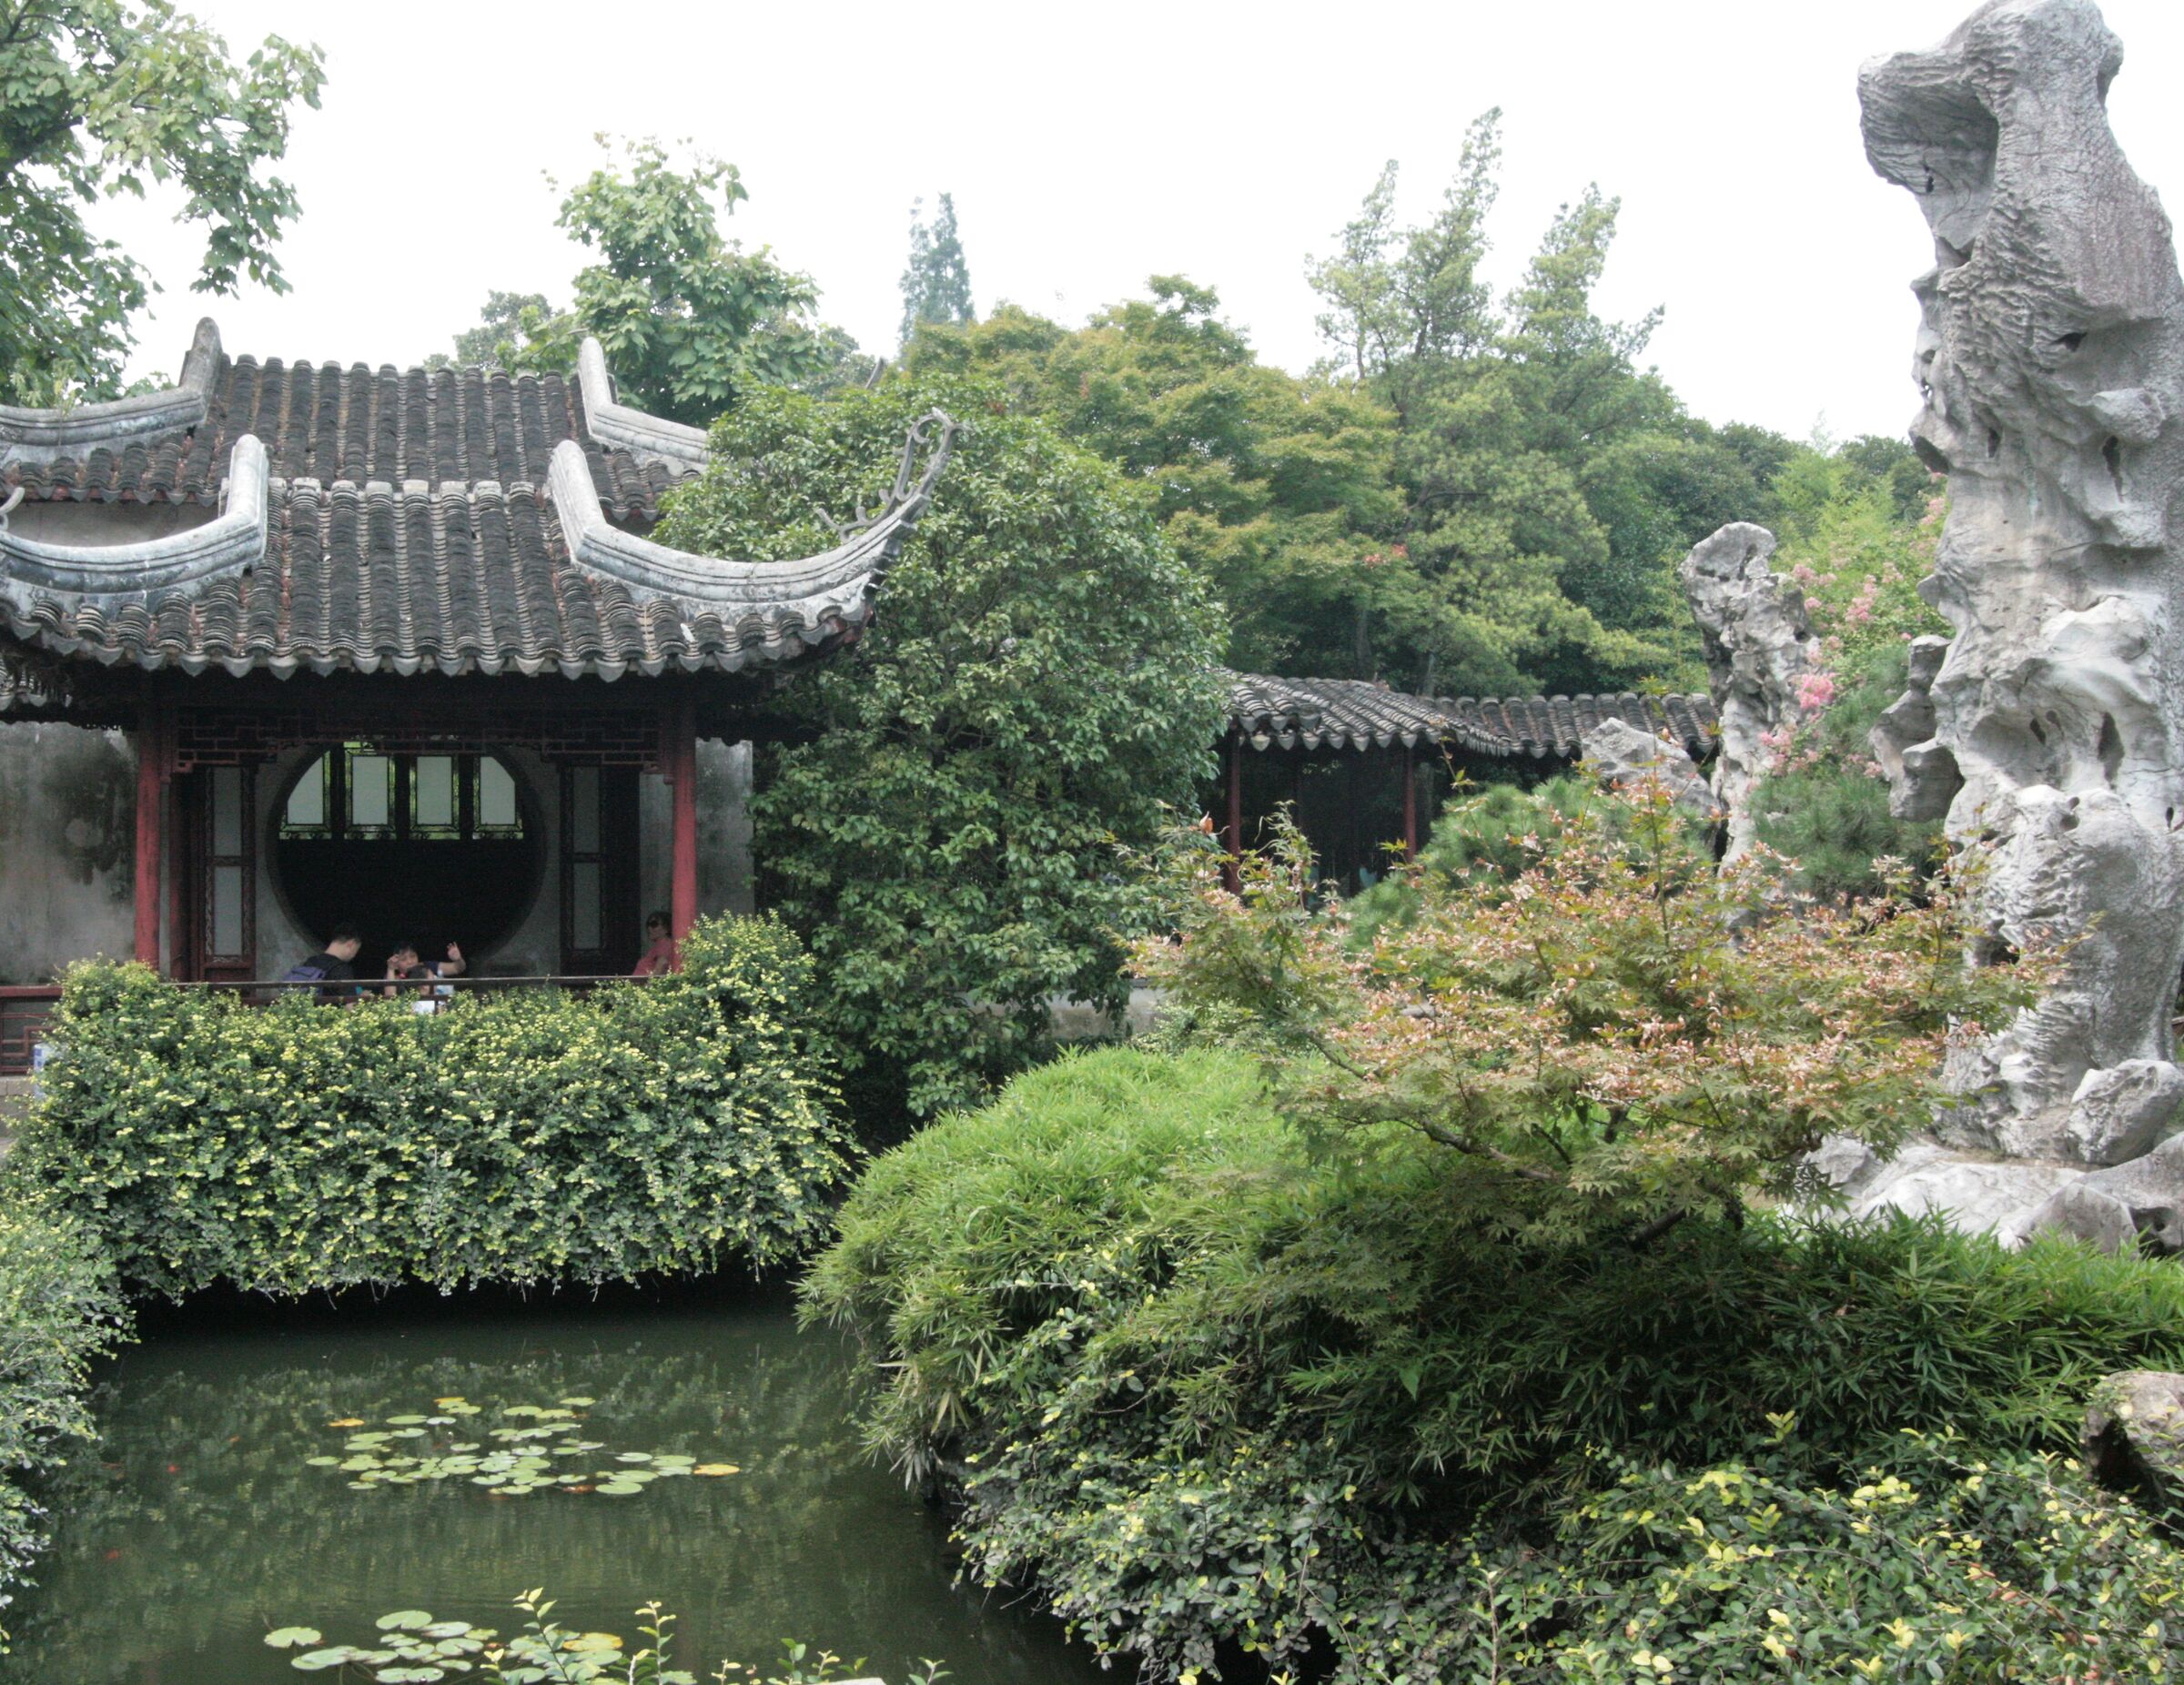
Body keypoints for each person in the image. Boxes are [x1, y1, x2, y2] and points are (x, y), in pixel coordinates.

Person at [384, 940, 465, 1011]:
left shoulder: (427, 967)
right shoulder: (393, 977)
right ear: (396, 963)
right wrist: (391, 969)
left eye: (413, 956)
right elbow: (390, 1000)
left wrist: (458, 959)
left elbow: (457, 968)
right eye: (404, 959)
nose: (410, 961)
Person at [280, 926, 362, 996]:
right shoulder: (341, 969)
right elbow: (350, 1006)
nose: (354, 955)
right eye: (356, 950)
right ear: (351, 945)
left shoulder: (310, 961)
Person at [632, 911, 679, 977]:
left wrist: (652, 982)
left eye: (654, 925)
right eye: (648, 925)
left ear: (667, 928)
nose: (649, 928)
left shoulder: (664, 943)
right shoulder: (661, 945)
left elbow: (662, 963)